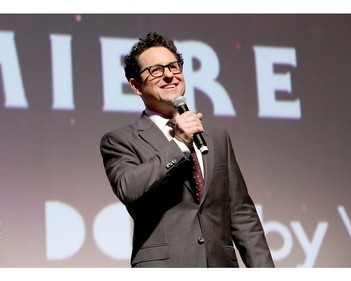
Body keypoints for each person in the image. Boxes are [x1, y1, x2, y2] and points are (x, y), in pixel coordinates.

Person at [100, 31, 275, 268]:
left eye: (174, 67)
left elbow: (242, 214)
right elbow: (128, 188)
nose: (169, 75)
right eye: (156, 70)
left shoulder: (216, 137)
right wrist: (180, 144)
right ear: (136, 86)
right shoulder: (120, 140)